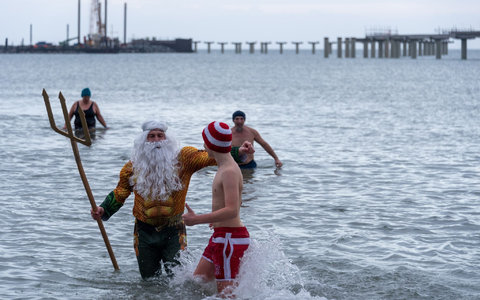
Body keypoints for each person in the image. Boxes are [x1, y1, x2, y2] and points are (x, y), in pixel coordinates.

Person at [90, 119, 254, 279]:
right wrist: (104, 209)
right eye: (151, 136)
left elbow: (210, 156)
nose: (156, 141)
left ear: (167, 139)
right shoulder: (131, 167)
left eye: (160, 135)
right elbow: (121, 191)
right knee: (148, 282)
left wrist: (238, 151)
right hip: (144, 232)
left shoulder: (184, 158)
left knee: (177, 281)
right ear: (143, 140)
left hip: (174, 230)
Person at [182, 121, 250, 298]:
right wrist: (216, 219)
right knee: (197, 281)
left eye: (205, 142)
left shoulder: (228, 171)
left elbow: (233, 210)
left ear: (211, 145)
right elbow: (237, 201)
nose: (203, 146)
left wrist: (197, 220)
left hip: (230, 239)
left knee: (227, 295)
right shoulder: (225, 166)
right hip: (221, 235)